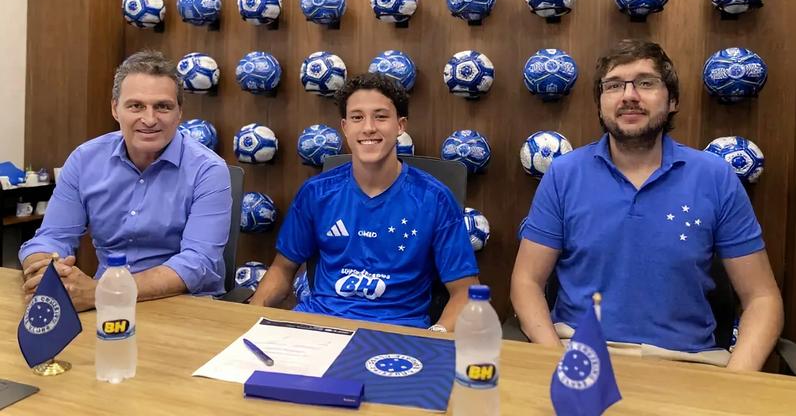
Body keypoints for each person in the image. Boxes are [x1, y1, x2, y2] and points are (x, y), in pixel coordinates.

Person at [510, 39, 783, 370]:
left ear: (672, 101)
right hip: (577, 354)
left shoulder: (715, 177)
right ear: (599, 104)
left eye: (645, 82)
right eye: (614, 85)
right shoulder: (563, 175)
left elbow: (762, 299)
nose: (629, 95)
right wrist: (558, 361)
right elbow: (526, 282)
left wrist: (735, 382)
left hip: (686, 363)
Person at [249, 73, 479, 331]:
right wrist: (247, 321)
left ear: (400, 126)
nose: (368, 127)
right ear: (345, 127)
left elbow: (465, 292)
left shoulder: (434, 198)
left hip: (397, 332)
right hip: (319, 325)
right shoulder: (316, 192)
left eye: (380, 116)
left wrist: (434, 337)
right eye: (357, 117)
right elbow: (282, 269)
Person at [20, 50, 232, 311]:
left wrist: (104, 293)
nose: (150, 119)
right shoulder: (85, 159)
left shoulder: (208, 170)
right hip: (101, 306)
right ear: (115, 109)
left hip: (184, 306)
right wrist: (48, 275)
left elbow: (198, 264)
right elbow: (51, 237)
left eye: (163, 107)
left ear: (179, 114)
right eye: (136, 106)